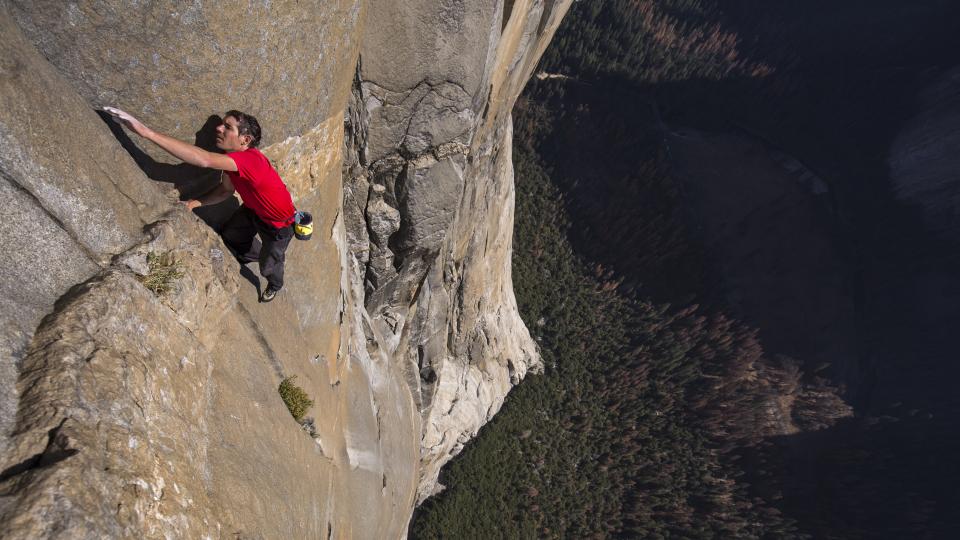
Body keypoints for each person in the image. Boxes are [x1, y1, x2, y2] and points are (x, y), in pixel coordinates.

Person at [104, 107, 296, 303]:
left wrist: (146, 132)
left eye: (227, 127)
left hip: (278, 224)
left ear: (245, 140)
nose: (219, 129)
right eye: (221, 124)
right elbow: (225, 191)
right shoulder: (231, 162)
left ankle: (274, 281)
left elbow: (204, 160)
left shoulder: (250, 160)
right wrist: (193, 203)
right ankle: (260, 254)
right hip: (253, 210)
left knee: (268, 266)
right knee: (231, 235)